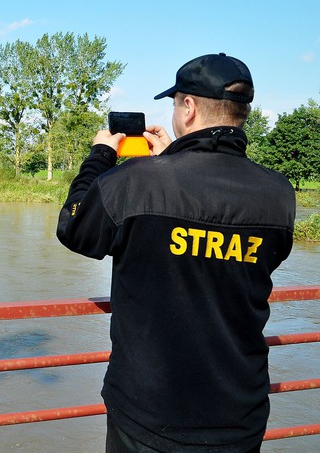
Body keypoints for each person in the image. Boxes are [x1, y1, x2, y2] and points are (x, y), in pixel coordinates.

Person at [56, 53, 295, 452]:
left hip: (149, 416)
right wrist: (172, 159)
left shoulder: (136, 182)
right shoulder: (278, 194)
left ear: (189, 107)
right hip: (239, 414)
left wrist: (100, 155)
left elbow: (75, 228)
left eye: (174, 103)